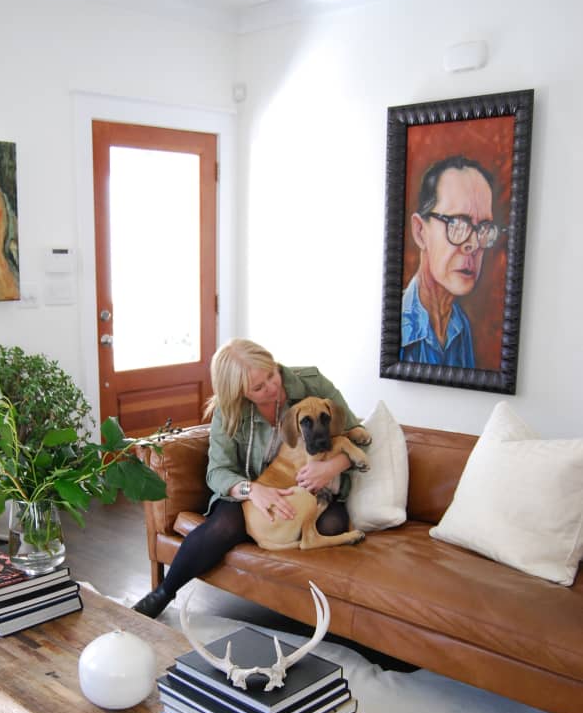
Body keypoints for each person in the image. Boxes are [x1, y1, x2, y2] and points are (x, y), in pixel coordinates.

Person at [132, 339, 366, 619]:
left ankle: (309, 621)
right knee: (225, 525)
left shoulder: (312, 384)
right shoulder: (229, 412)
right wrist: (252, 490)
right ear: (239, 393)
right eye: (258, 387)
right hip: (248, 493)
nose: (272, 387)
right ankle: (163, 593)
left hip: (312, 488)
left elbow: (358, 434)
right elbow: (217, 472)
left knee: (332, 524)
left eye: (271, 374)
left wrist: (332, 467)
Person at [400, 155, 503, 367]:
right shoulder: (397, 326)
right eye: (457, 224)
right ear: (420, 232)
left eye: (483, 228)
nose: (473, 244)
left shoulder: (460, 326)